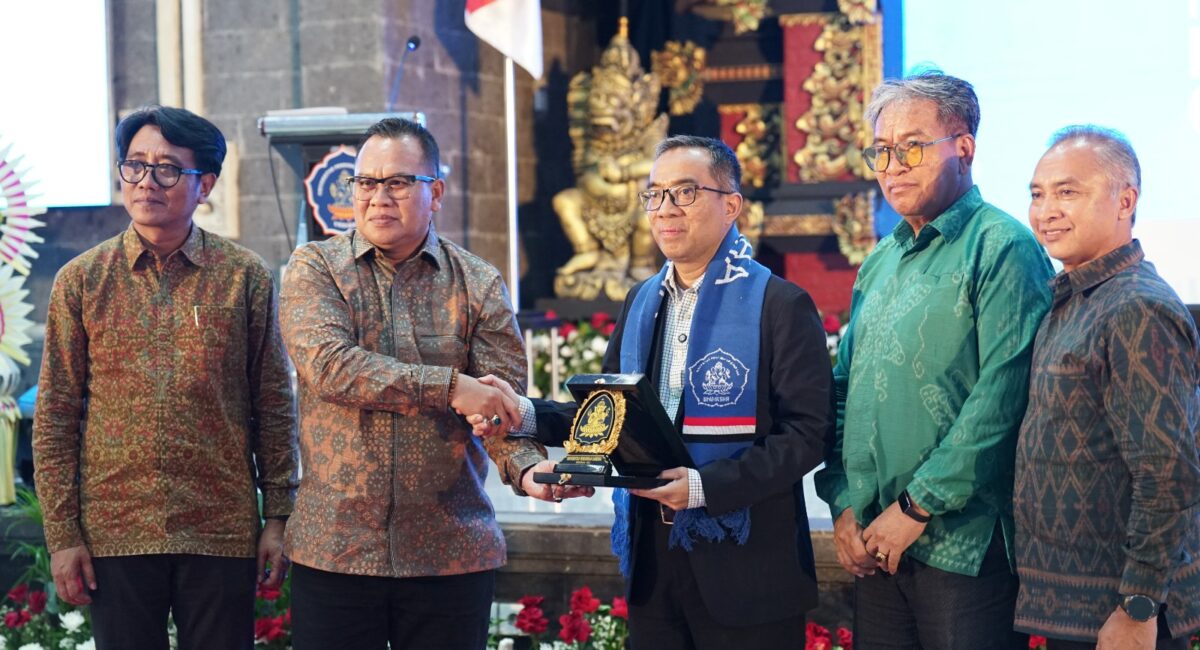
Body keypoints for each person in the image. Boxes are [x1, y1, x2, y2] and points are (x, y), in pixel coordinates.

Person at [474, 134, 833, 649]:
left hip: (747, 566)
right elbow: (606, 414)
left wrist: (704, 487)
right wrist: (523, 413)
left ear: (731, 205)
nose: (665, 208)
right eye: (655, 193)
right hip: (654, 563)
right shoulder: (641, 301)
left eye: (685, 192)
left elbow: (808, 436)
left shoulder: (779, 303)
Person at [277, 117, 584, 650]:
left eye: (398, 182)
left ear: (435, 192)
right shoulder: (315, 268)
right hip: (337, 550)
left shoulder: (477, 282)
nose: (378, 197)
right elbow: (330, 365)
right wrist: (450, 387)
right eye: (365, 182)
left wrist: (528, 469)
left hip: (450, 552)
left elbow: (499, 406)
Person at [33, 105, 299, 649]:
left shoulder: (243, 277)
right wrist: (63, 536)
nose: (146, 182)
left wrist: (278, 516)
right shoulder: (81, 281)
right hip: (115, 530)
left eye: (168, 169)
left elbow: (273, 405)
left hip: (219, 529)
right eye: (135, 165)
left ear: (206, 185)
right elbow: (56, 417)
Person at [813, 71, 1054, 649]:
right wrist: (842, 503)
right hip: (876, 539)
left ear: (964, 147)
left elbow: (1003, 397)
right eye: (881, 150)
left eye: (912, 147)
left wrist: (916, 506)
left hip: (962, 545)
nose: (893, 166)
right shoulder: (881, 260)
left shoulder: (1002, 246)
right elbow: (842, 387)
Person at [1014, 125, 1200, 650]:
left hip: (1123, 613)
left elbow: (1167, 473)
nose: (1046, 211)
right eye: (1037, 194)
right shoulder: (1076, 297)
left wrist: (1138, 606)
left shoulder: (1136, 306)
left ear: (1125, 201)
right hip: (1077, 609)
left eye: (1067, 192)